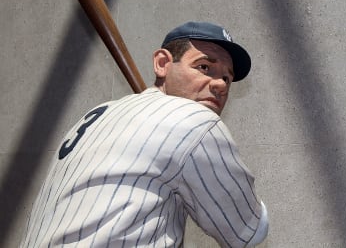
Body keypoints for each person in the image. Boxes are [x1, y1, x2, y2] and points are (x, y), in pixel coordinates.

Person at [22, 21, 268, 247]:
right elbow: (247, 231)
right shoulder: (196, 120)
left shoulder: (97, 113)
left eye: (227, 77)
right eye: (204, 67)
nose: (221, 85)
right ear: (162, 63)